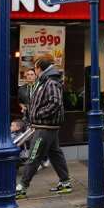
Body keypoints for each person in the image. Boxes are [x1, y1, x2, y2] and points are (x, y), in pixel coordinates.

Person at [16, 55, 71, 199]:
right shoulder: (44, 81)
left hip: (45, 126)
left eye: (35, 67)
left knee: (34, 155)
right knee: (55, 154)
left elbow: (55, 103)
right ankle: (65, 182)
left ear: (39, 68)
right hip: (46, 126)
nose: (34, 70)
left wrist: (39, 114)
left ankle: (22, 186)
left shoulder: (51, 82)